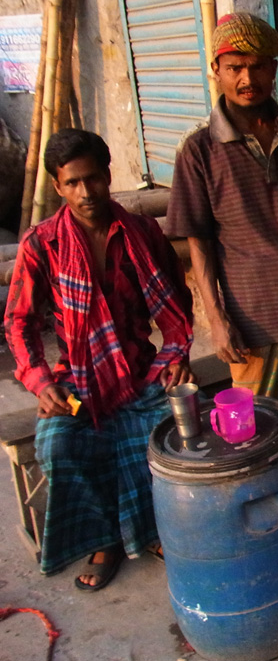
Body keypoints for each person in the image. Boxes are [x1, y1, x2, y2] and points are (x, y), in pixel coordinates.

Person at [4, 129, 194, 591]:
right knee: (57, 445)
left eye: (93, 179)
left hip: (139, 372)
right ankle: (104, 539)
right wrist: (40, 380)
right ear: (58, 187)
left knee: (180, 430)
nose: (86, 193)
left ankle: (151, 529)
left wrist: (176, 355)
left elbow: (176, 305)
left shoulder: (143, 233)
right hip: (76, 381)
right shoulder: (41, 244)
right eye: (73, 183)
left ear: (108, 175)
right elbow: (19, 322)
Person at [166, 13, 278, 468]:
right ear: (217, 71)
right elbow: (199, 243)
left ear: (274, 70)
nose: (248, 78)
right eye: (235, 67)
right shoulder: (198, 149)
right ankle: (273, 494)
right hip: (252, 313)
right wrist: (217, 320)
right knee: (258, 424)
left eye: (259, 66)